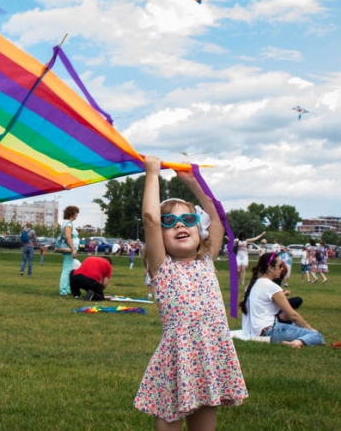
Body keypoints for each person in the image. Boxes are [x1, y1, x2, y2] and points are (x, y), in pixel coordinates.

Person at [134, 155, 247, 428]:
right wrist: (152, 173)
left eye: (187, 219)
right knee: (169, 421)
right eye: (169, 222)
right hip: (177, 359)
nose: (180, 224)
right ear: (159, 236)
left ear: (200, 229)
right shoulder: (163, 267)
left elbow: (219, 220)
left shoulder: (206, 261)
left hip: (210, 356)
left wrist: (194, 183)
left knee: (205, 419)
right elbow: (150, 219)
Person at [241, 253, 325, 349]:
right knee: (317, 336)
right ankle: (297, 343)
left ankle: (296, 340)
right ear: (270, 268)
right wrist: (310, 330)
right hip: (268, 330)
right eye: (280, 266)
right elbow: (293, 316)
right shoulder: (271, 286)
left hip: (252, 331)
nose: (282, 269)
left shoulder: (252, 285)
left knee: (296, 328)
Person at [55, 206, 79, 296]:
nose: (77, 215)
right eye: (76, 213)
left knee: (68, 268)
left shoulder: (65, 223)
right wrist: (73, 249)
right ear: (72, 213)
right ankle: (63, 290)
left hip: (68, 249)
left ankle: (67, 288)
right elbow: (68, 237)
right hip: (69, 249)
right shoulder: (68, 224)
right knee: (67, 270)